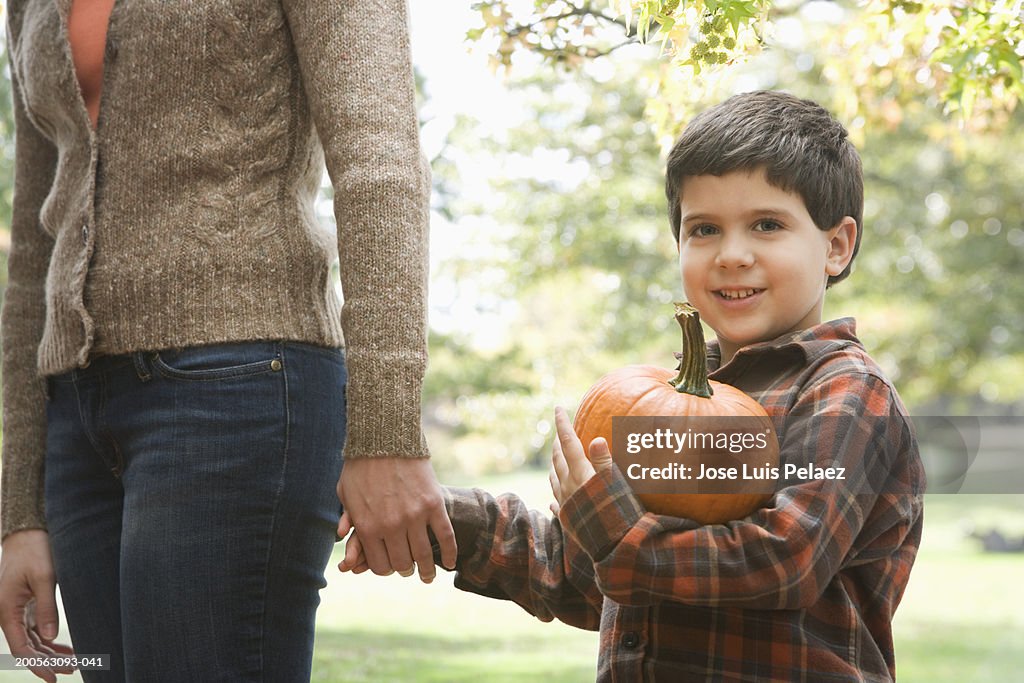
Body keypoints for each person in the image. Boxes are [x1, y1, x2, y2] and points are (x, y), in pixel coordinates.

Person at [341, 91, 926, 681]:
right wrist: (435, 517)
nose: (732, 254)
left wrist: (612, 531)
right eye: (704, 229)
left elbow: (787, 558)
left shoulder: (847, 392)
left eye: (767, 225)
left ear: (836, 245)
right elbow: (584, 575)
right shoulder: (668, 406)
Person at [0, 1, 456, 681]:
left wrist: (386, 427)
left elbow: (378, 158)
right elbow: (35, 247)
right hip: (78, 422)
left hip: (239, 386)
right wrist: (19, 510)